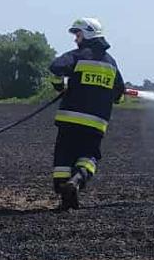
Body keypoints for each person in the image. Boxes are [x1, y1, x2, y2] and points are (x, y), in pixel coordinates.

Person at [46, 17, 125, 210]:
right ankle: (77, 180)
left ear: (88, 34)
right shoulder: (111, 63)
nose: (76, 39)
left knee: (64, 157)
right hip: (95, 124)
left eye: (78, 34)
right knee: (89, 156)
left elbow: (56, 68)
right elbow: (119, 95)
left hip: (69, 120)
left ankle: (64, 192)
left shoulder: (77, 56)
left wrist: (60, 86)